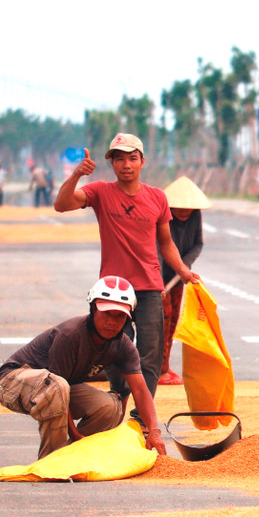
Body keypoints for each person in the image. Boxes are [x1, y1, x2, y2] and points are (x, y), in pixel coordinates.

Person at [54, 133, 199, 400]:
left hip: (149, 288)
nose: (126, 165)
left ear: (142, 162)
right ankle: (117, 400)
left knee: (151, 355)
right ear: (112, 164)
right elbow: (61, 205)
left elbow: (166, 242)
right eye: (119, 159)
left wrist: (182, 270)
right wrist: (77, 175)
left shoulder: (157, 197)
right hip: (113, 290)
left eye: (132, 158)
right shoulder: (100, 192)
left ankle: (142, 419)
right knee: (110, 349)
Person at [0, 276, 169, 460]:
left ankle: (74, 457)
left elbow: (141, 390)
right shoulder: (70, 335)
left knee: (109, 407)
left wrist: (154, 430)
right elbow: (57, 389)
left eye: (119, 316)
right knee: (57, 386)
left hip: (56, 386)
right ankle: (52, 461)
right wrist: (74, 434)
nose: (112, 321)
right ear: (93, 309)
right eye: (106, 313)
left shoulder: (123, 346)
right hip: (14, 382)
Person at [158, 176, 209, 386]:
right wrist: (159, 282)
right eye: (179, 208)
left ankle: (165, 366)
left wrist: (184, 265)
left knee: (172, 323)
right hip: (160, 276)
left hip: (179, 277)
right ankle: (158, 371)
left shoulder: (195, 216)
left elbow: (198, 243)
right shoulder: (162, 217)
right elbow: (159, 248)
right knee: (162, 320)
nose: (184, 212)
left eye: (188, 208)